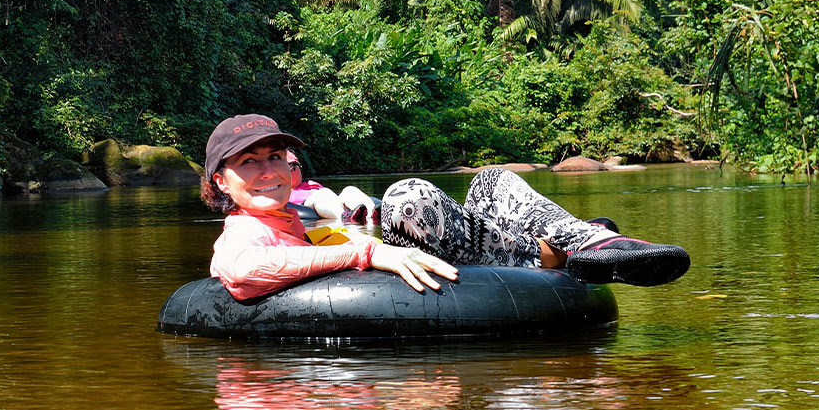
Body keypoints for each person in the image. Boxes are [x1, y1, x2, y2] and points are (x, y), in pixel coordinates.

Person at [201, 114, 688, 300]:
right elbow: (242, 271)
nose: (267, 171)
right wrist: (366, 254)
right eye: (249, 163)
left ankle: (593, 242)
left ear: (291, 166)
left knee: (493, 179)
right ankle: (565, 248)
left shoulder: (295, 219)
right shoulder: (242, 233)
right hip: (434, 284)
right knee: (409, 195)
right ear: (221, 180)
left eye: (274, 158)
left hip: (471, 261)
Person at [285, 150, 376, 224]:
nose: (294, 169)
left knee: (349, 190)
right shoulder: (282, 191)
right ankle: (344, 216)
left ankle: (372, 214)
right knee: (322, 194)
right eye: (291, 166)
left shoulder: (310, 184)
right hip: (306, 204)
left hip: (328, 202)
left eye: (295, 166)